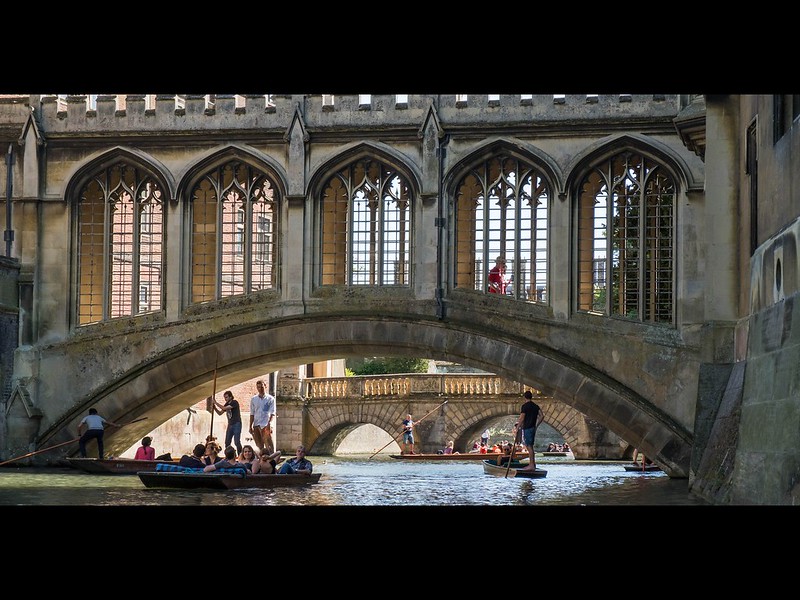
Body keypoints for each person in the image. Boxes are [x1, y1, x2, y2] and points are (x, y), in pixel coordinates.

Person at [513, 390, 545, 471]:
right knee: (530, 446)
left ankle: (531, 465)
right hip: (533, 427)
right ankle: (533, 464)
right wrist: (536, 425)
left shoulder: (525, 406)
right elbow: (541, 416)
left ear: (525, 397)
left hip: (527, 428)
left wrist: (517, 428)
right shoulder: (535, 406)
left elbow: (522, 418)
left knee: (529, 446)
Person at [249, 380, 276, 455]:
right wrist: (250, 425)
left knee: (269, 445)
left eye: (261, 387)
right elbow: (252, 413)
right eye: (258, 387)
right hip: (256, 424)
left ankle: (271, 457)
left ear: (265, 386)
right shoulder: (254, 399)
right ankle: (261, 459)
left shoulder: (270, 399)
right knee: (259, 445)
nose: (260, 389)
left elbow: (272, 413)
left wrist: (269, 423)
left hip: (265, 424)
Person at [212, 390, 243, 455]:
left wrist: (215, 402)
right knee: (227, 442)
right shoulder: (226, 404)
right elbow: (220, 413)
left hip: (237, 423)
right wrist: (214, 408)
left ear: (231, 397)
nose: (225, 399)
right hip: (230, 424)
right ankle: (230, 456)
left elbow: (224, 408)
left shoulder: (234, 402)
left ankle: (240, 455)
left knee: (237, 442)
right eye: (225, 398)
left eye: (226, 397)